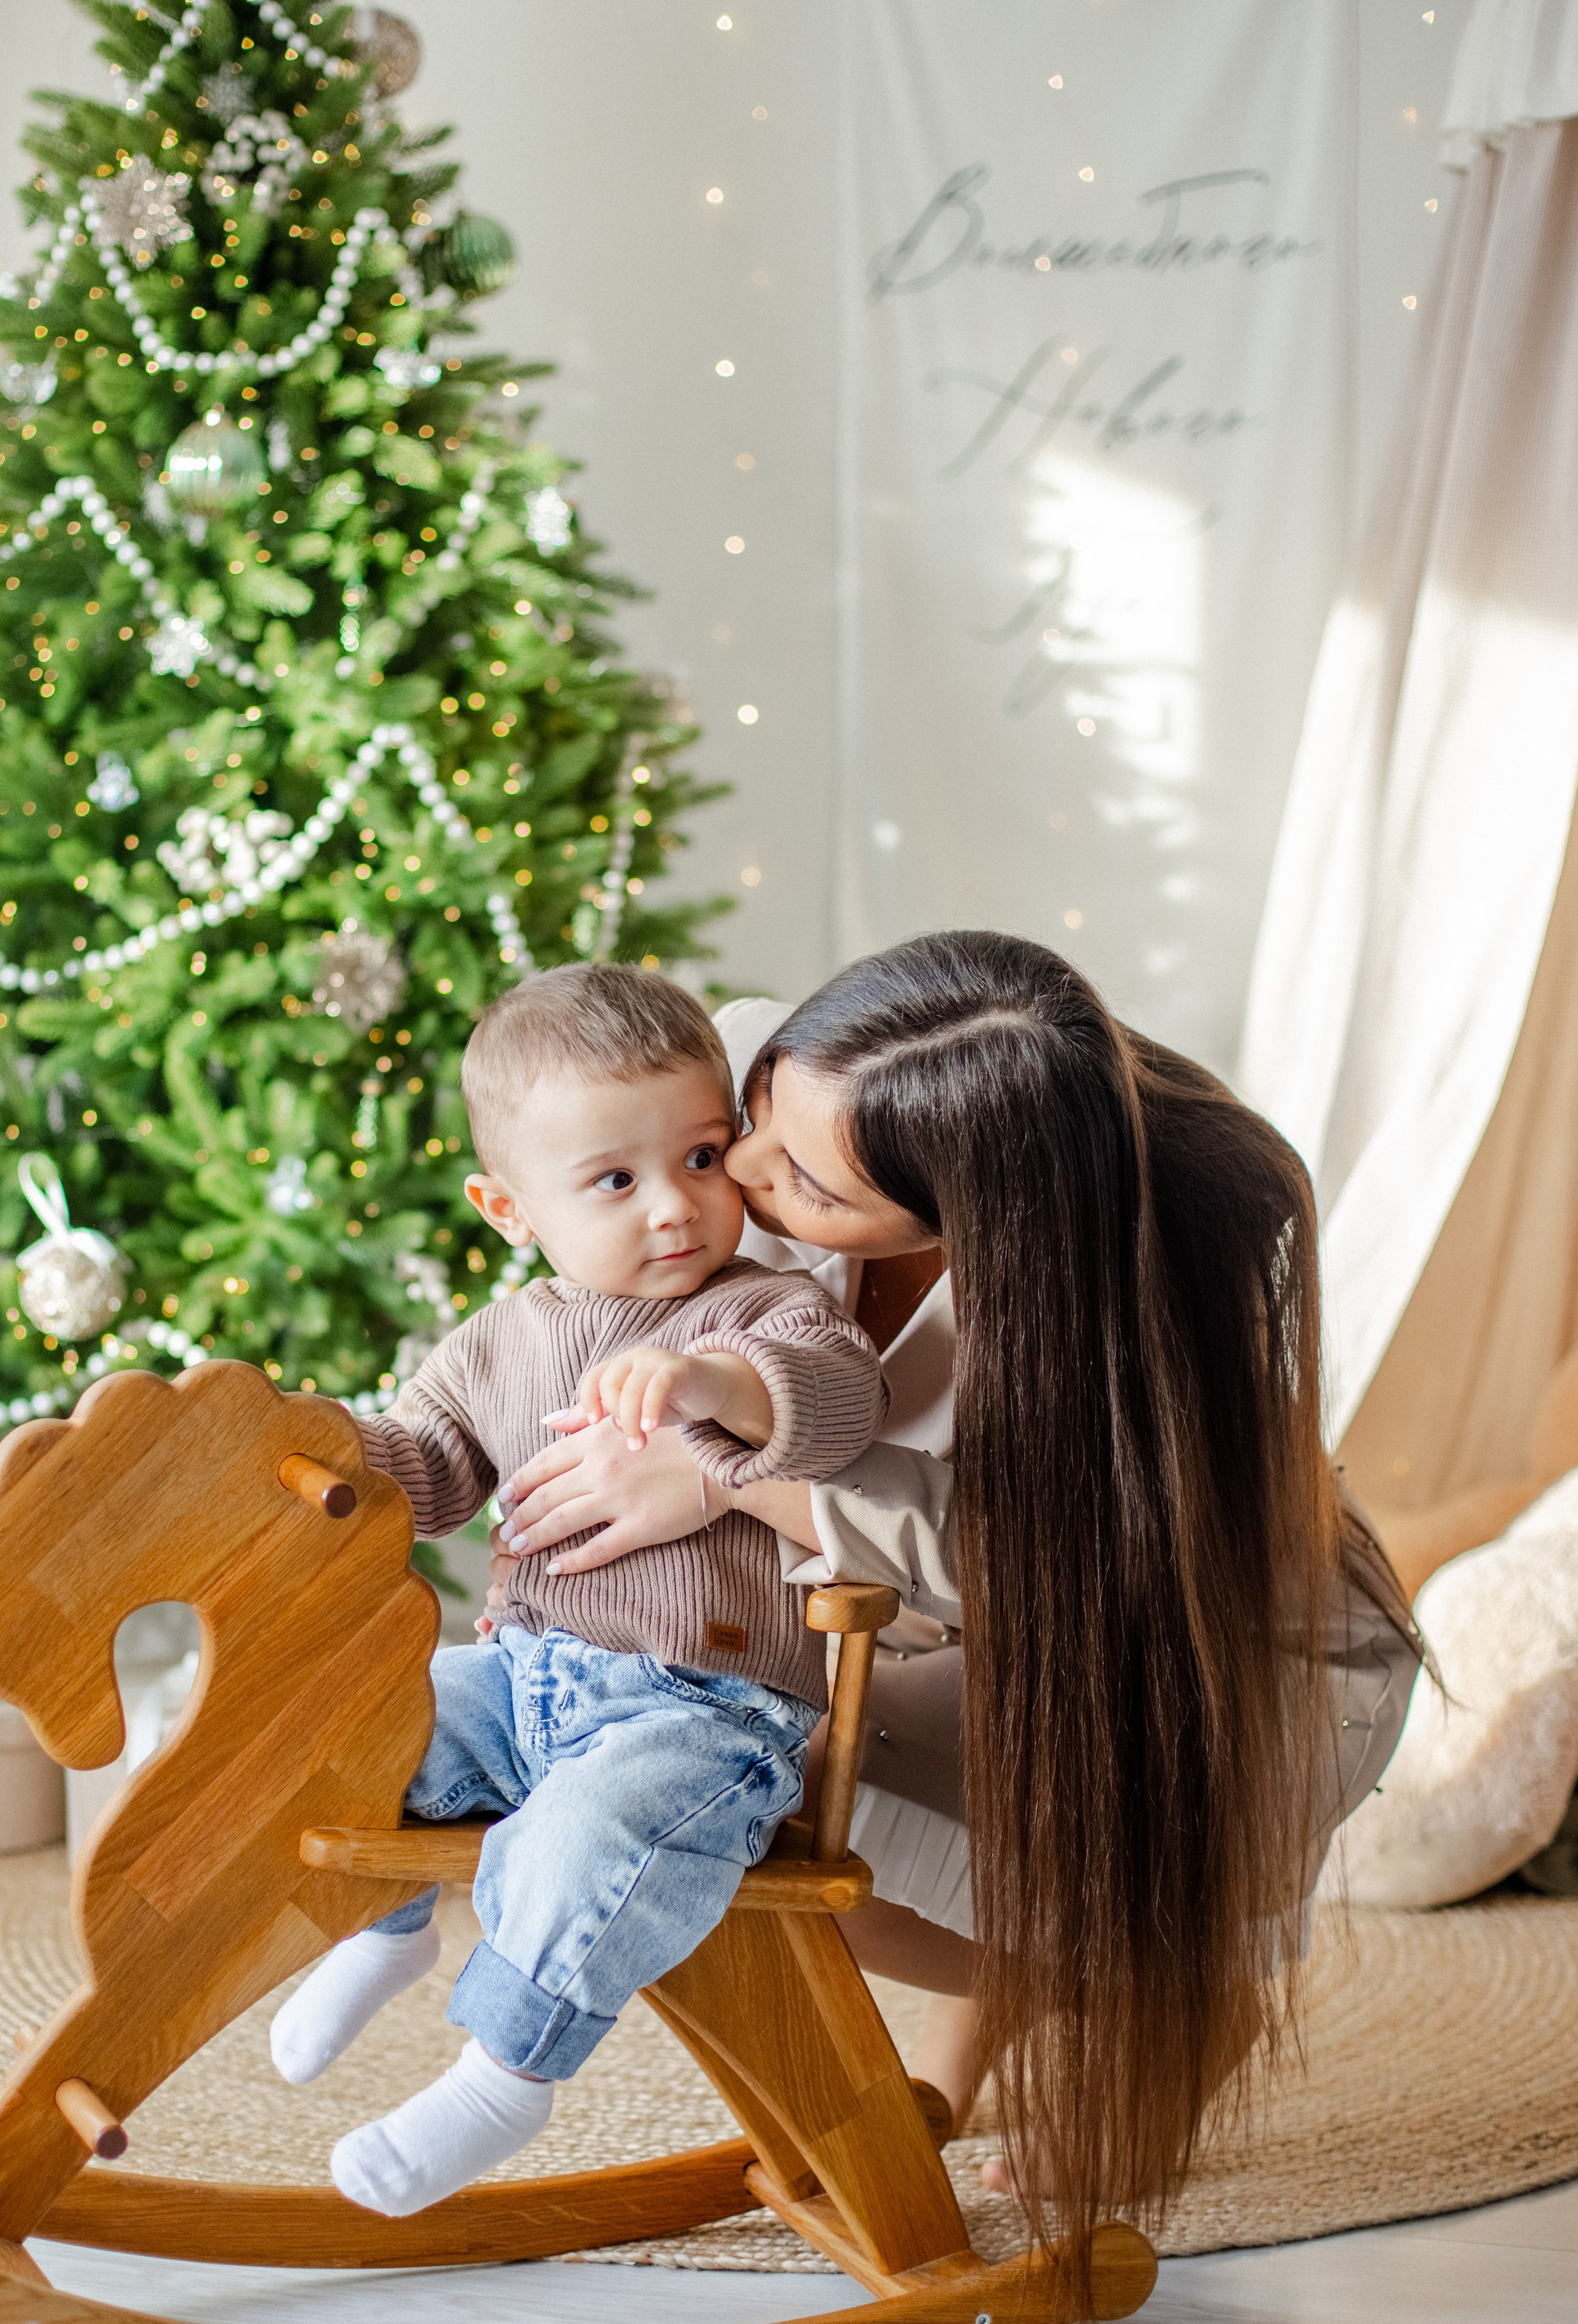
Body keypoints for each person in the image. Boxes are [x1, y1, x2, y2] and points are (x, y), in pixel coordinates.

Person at [496, 932, 1422, 2242]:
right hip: (966, 1606)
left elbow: (1026, 1565)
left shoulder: (1114, 1324)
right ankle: (996, 2015)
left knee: (768, 1798)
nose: (734, 1181)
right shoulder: (770, 1082)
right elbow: (594, 1247)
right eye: (745, 1127)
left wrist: (722, 1476)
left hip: (1225, 1662)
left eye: (800, 1182)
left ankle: (1158, 1988)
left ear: (968, 1227)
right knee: (694, 1750)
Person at [268, 959, 888, 2220]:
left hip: (705, 1711)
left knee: (580, 1837)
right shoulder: (499, 1340)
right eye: (616, 1179)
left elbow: (836, 1406)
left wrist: (716, 1387)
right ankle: (380, 1929)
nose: (676, 1208)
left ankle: (503, 2072)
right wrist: (326, 1440)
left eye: (704, 1156)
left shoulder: (768, 1308)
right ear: (508, 1206)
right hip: (522, 1678)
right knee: (350, 1720)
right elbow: (426, 1473)